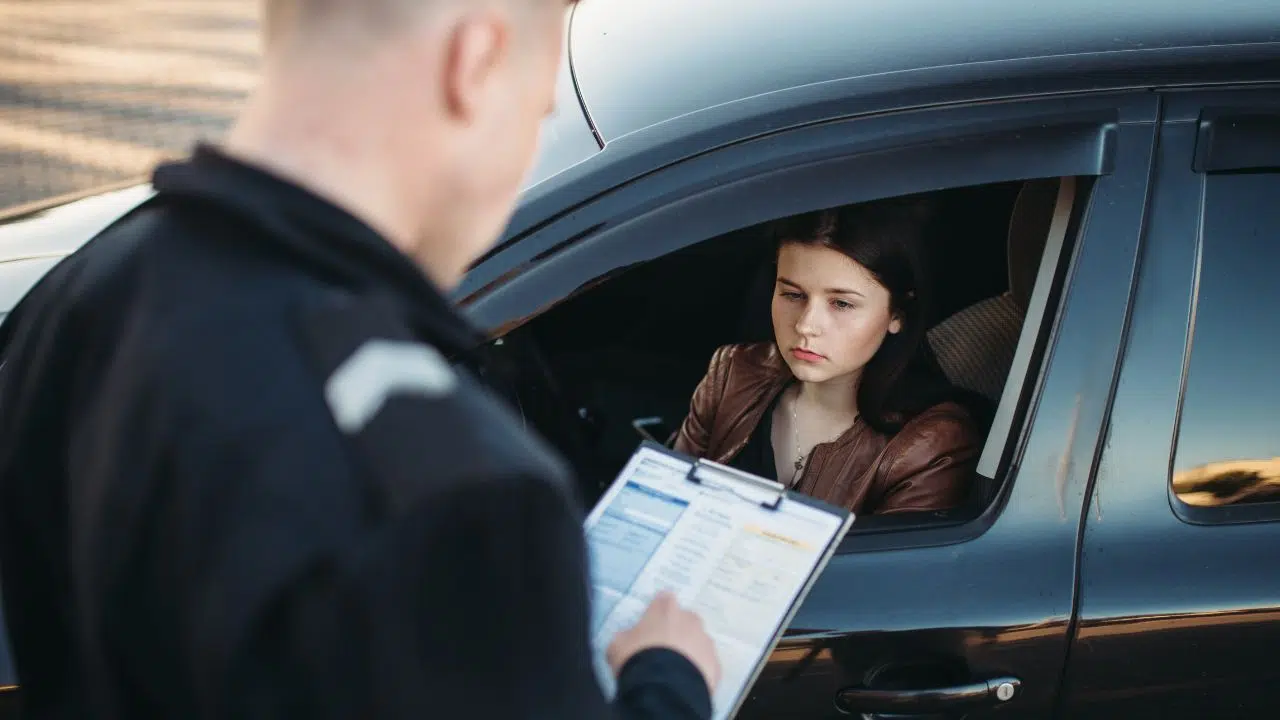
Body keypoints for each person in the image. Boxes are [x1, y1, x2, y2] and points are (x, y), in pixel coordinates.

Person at [0, 1, 720, 718]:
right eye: (539, 114)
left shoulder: (79, 296)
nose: (526, 156)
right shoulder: (465, 501)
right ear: (474, 63)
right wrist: (668, 688)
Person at [674, 201, 983, 514]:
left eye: (842, 304)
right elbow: (664, 506)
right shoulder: (733, 375)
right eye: (793, 295)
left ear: (897, 314)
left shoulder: (930, 446)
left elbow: (884, 564)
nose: (806, 325)